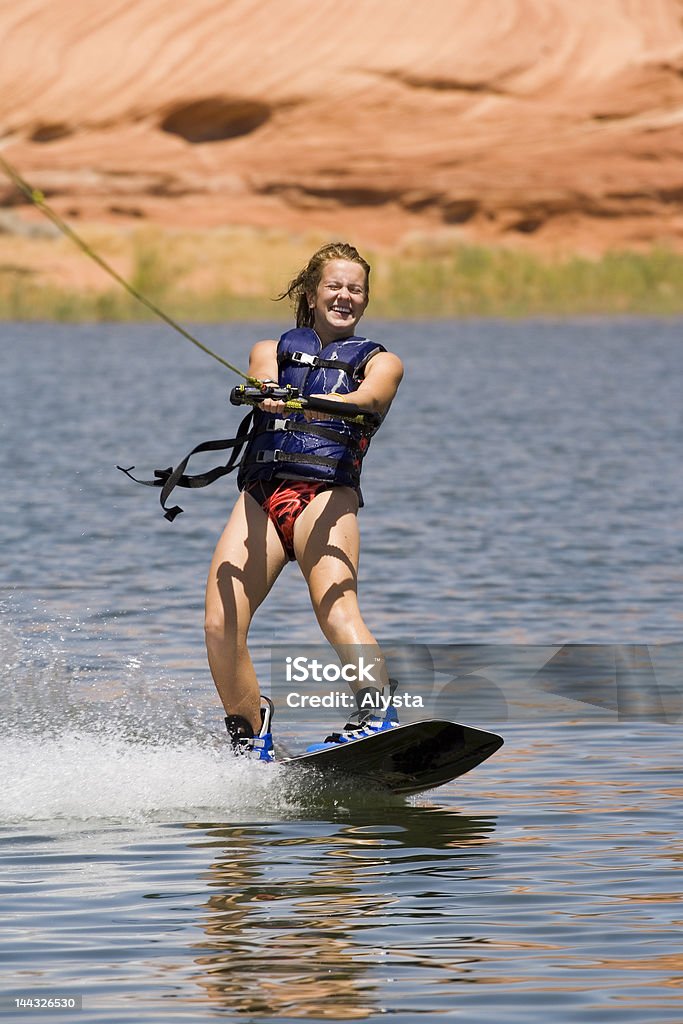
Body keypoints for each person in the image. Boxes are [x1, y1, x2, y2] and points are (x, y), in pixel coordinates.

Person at [204, 242, 403, 760]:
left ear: (365, 299)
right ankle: (252, 730)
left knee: (336, 607)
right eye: (334, 286)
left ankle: (377, 712)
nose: (345, 296)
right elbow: (261, 378)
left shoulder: (381, 363)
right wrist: (268, 393)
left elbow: (370, 399)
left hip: (326, 495)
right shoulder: (269, 348)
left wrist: (314, 400)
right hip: (263, 496)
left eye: (355, 289)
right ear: (312, 293)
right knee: (220, 622)